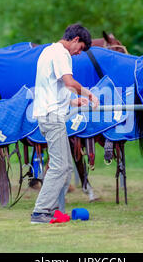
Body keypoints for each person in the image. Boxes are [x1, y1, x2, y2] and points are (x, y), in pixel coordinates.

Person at [31, 23, 99, 224]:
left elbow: (50, 88)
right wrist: (89, 94)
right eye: (81, 49)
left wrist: (71, 101)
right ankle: (40, 211)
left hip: (47, 112)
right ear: (76, 40)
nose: (79, 54)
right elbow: (69, 83)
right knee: (60, 166)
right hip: (52, 117)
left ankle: (48, 210)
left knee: (66, 167)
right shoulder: (62, 54)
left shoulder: (47, 51)